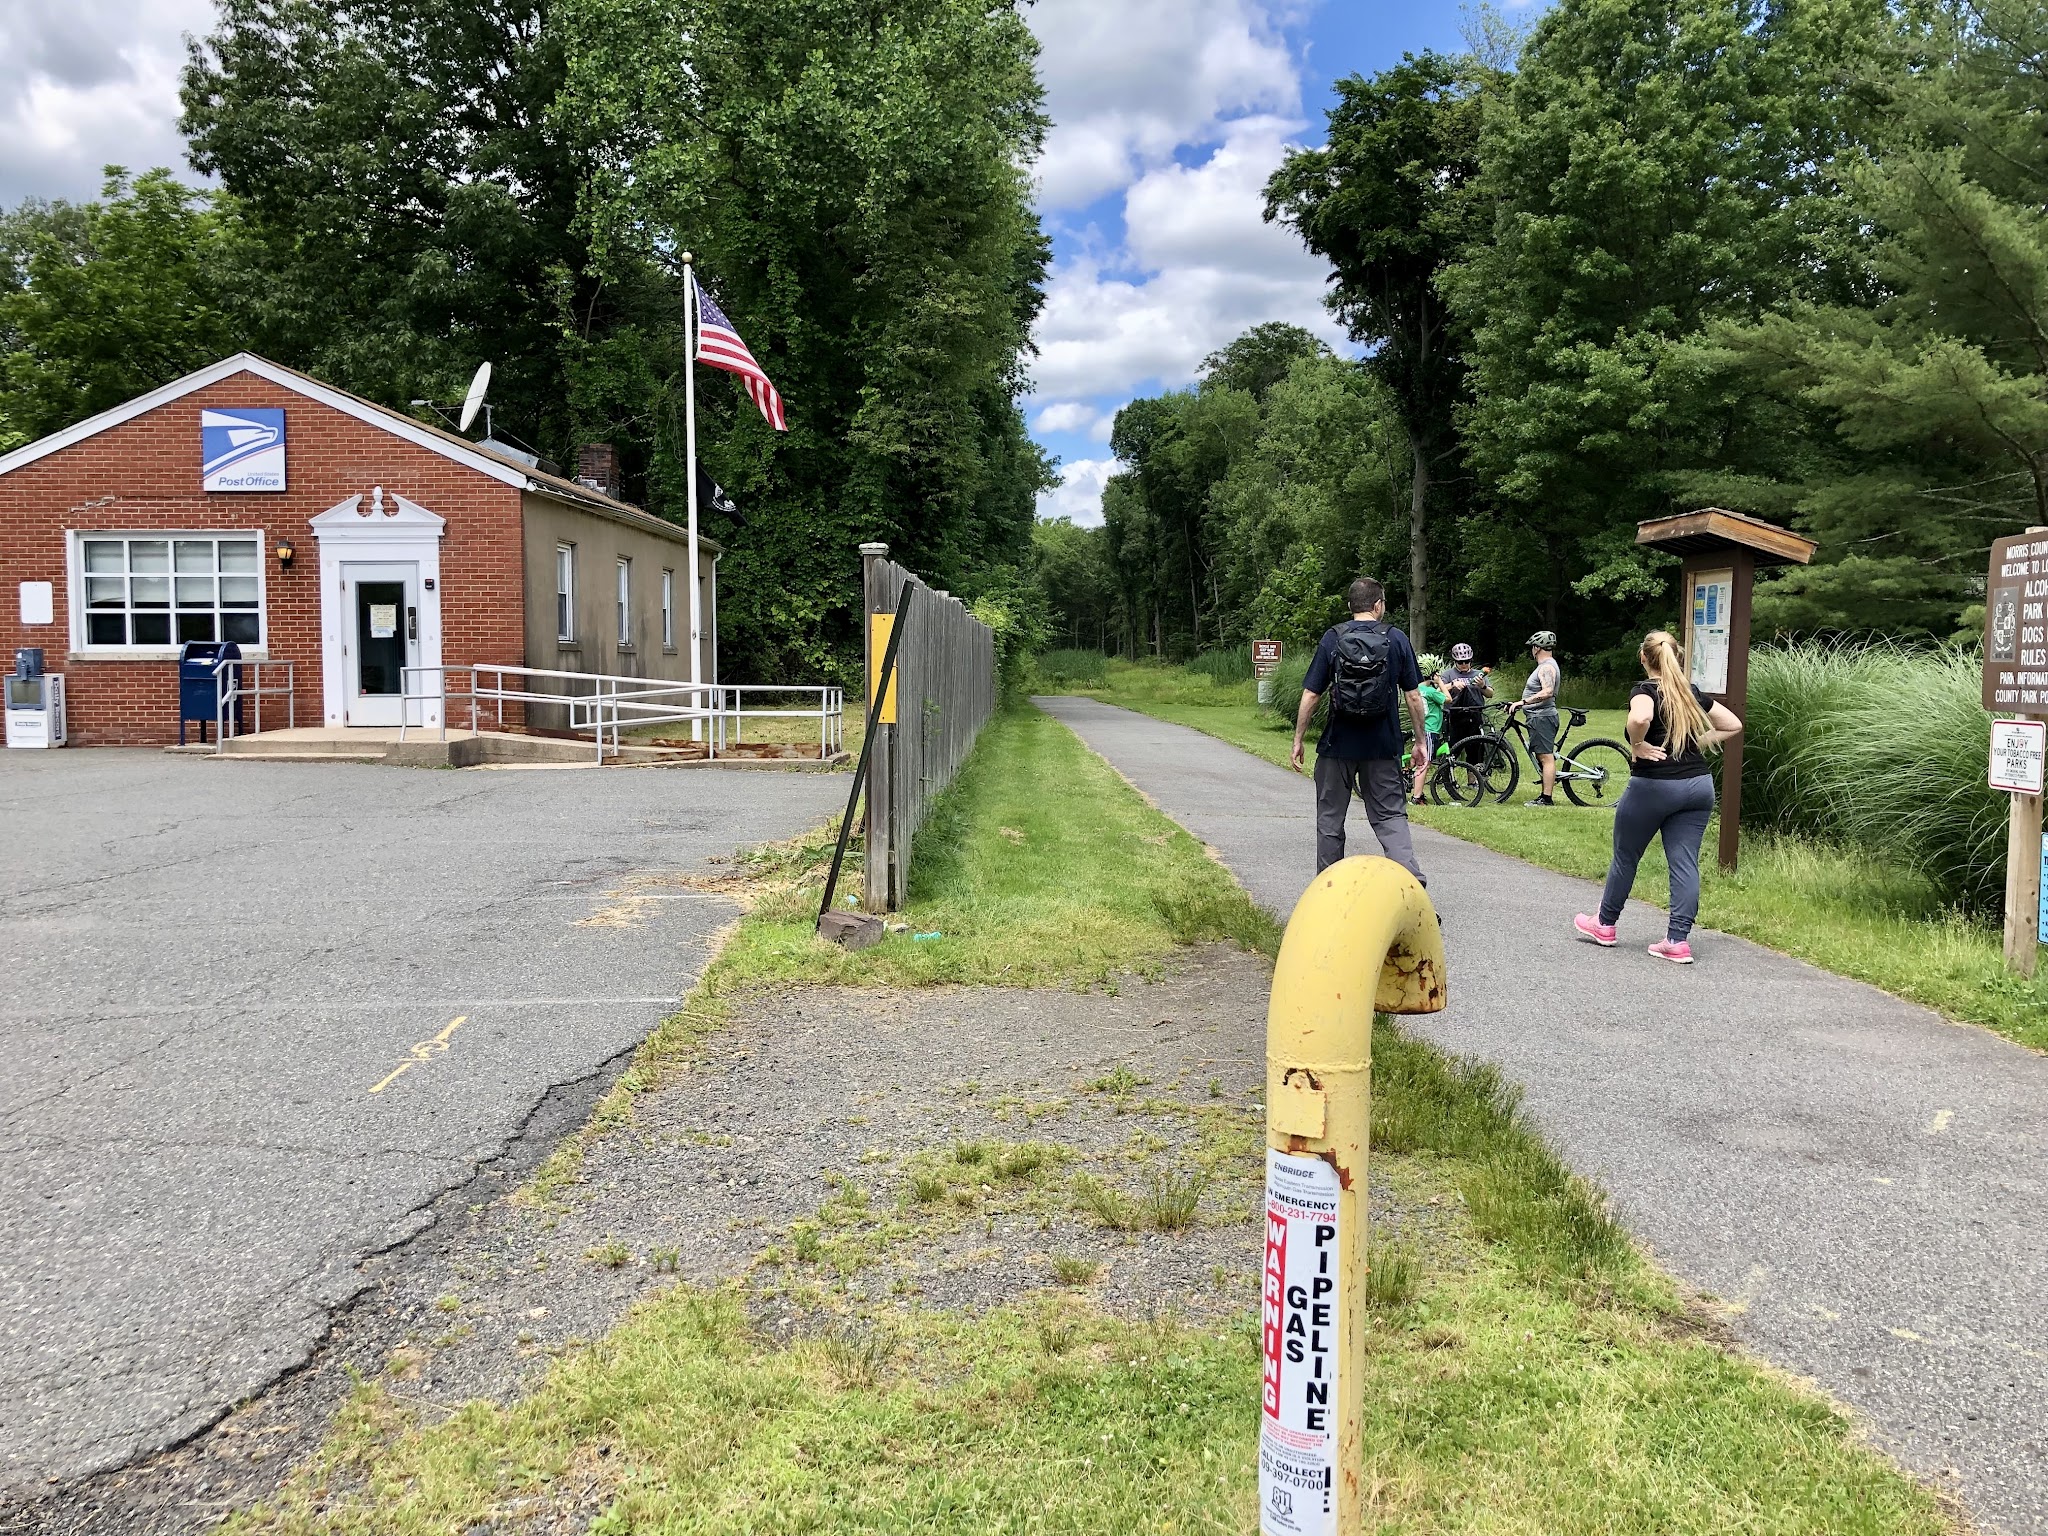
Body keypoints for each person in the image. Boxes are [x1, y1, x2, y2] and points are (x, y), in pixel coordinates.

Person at [1574, 629, 1743, 964]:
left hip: (1655, 786)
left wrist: (1638, 744)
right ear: (1676, 656)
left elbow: (1640, 717)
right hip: (1698, 786)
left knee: (1626, 856)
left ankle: (1604, 925)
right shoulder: (1689, 691)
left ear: (1643, 658)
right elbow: (1732, 724)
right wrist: (1697, 743)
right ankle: (1677, 941)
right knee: (1684, 862)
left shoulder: (1645, 690)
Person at [1289, 578, 1431, 882]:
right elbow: (1413, 696)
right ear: (1378, 605)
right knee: (1390, 817)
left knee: (1330, 820)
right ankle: (1412, 886)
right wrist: (1420, 741)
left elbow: (1311, 695)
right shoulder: (1396, 638)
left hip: (1337, 746)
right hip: (1383, 747)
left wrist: (1298, 739)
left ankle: (1327, 891)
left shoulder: (1333, 638)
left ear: (1350, 606)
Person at [1504, 630, 1561, 806]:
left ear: (1537, 648)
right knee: (1543, 756)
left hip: (1542, 717)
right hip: (1538, 717)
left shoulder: (1546, 667)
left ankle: (1546, 798)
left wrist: (1522, 702)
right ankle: (1545, 793)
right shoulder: (1547, 665)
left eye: (1532, 647)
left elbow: (1547, 691)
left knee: (1546, 757)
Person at [1412, 670, 1449, 804]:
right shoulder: (1431, 691)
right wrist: (1440, 682)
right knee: (1424, 764)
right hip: (1430, 730)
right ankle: (1417, 797)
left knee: (1421, 762)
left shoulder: (1417, 690)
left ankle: (1418, 793)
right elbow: (1448, 698)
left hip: (1421, 730)